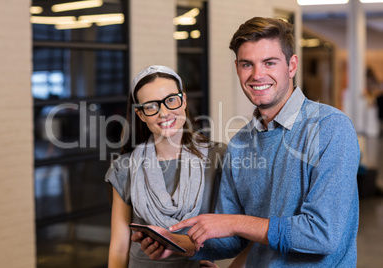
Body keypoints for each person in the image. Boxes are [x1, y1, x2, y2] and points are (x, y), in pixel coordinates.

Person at [132, 17, 360, 267]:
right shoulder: (240, 143)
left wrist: (234, 222)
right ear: (237, 67)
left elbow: (322, 235)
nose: (257, 75)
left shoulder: (331, 128)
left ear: (292, 65)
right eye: (246, 64)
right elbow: (232, 241)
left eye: (269, 63)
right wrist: (180, 246)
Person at [104, 65, 227, 267]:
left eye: (171, 100)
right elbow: (119, 247)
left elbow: (240, 229)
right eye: (151, 106)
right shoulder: (125, 168)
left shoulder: (218, 158)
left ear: (183, 100)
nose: (164, 113)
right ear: (141, 114)